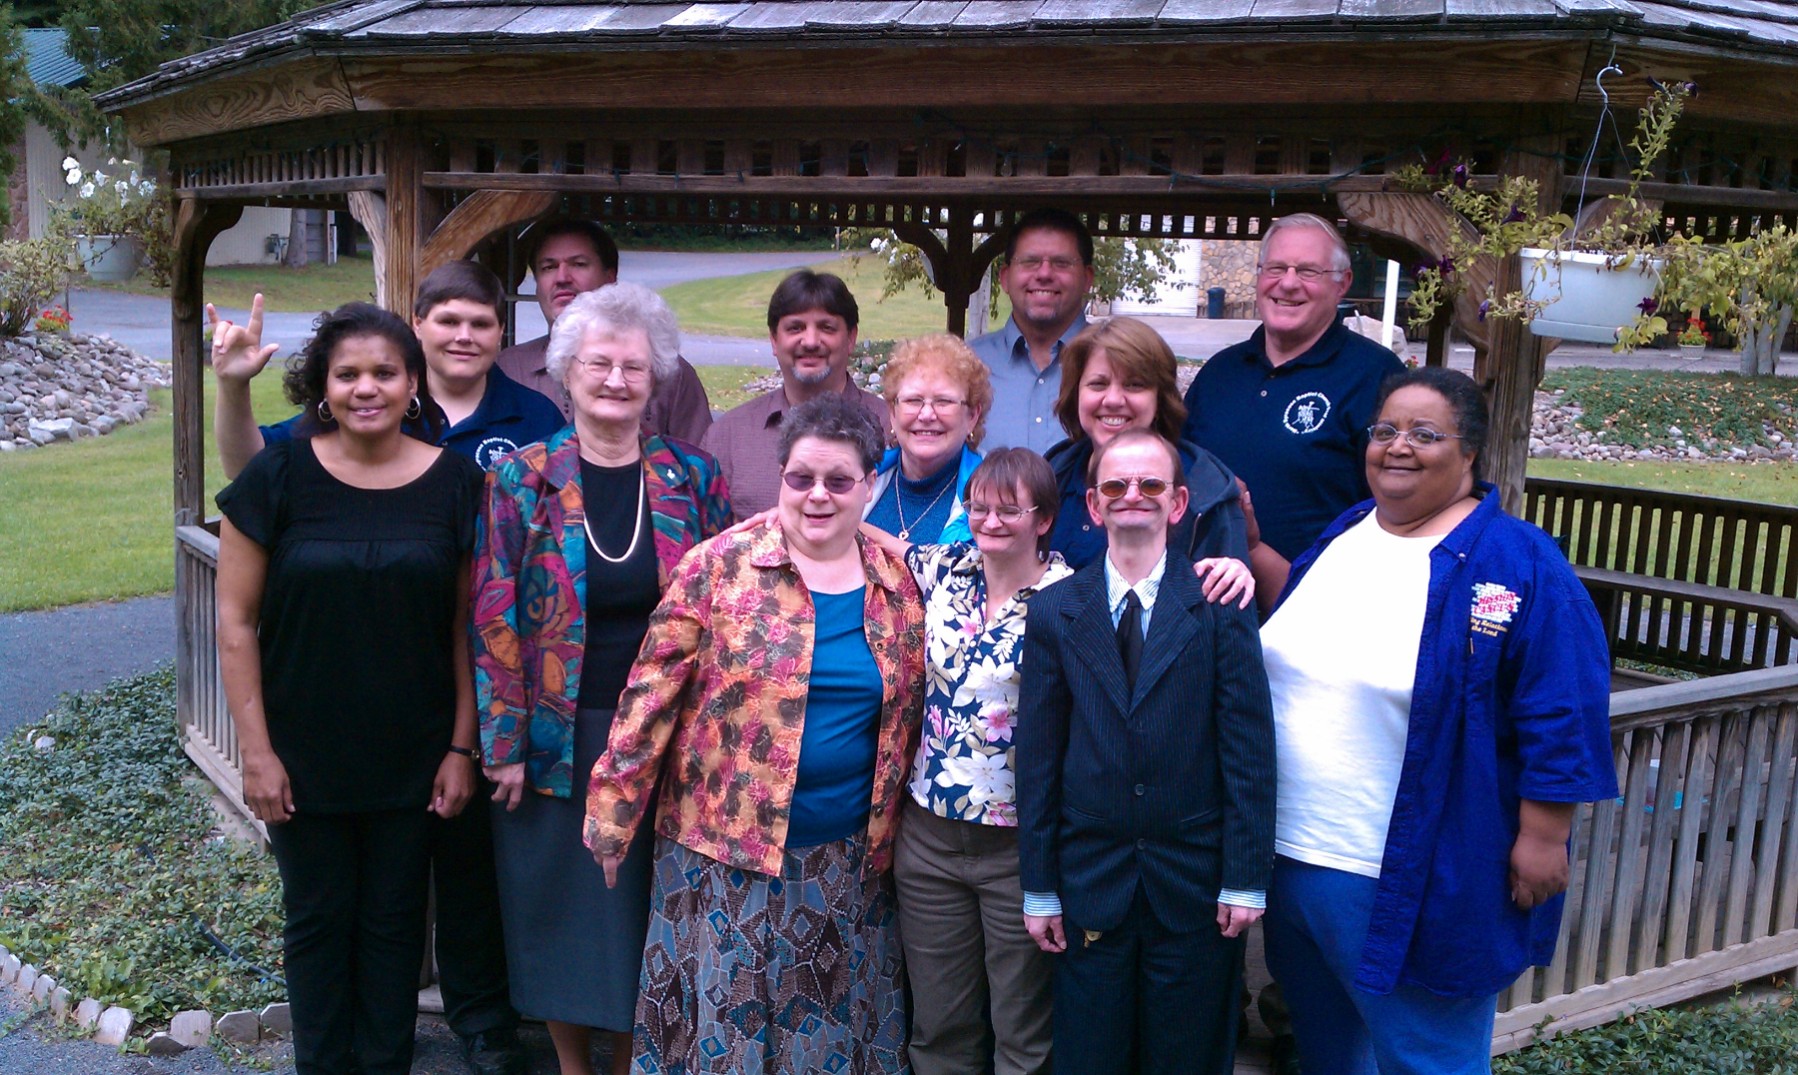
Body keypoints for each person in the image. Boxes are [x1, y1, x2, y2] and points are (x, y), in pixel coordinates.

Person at [210, 260, 558, 1075]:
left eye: (385, 372)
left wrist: (460, 748)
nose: (368, 387)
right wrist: (256, 753)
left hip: (416, 752)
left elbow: (467, 627)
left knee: (396, 925)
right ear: (323, 388)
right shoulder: (279, 474)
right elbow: (233, 622)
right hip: (303, 752)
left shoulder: (455, 482)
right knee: (318, 921)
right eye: (349, 373)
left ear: (413, 384)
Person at [1253, 367, 1617, 1075]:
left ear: (1470, 451)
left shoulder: (1515, 563)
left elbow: (1562, 703)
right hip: (1292, 856)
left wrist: (1545, 833)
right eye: (1385, 430)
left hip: (1409, 873)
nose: (1398, 447)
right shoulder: (1347, 531)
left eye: (1425, 433)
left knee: (1428, 1057)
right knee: (1331, 1052)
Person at [587, 394, 923, 1074]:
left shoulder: (897, 579)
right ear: (780, 478)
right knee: (725, 1036)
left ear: (871, 483)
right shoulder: (718, 566)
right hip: (722, 856)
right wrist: (612, 810)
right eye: (801, 478)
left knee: (827, 1033)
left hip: (844, 862)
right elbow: (650, 691)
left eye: (839, 480)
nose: (818, 495)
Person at [472, 282, 731, 1075]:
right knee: (557, 905)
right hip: (556, 732)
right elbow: (493, 614)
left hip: (665, 732)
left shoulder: (694, 476)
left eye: (633, 366)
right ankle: (573, 1067)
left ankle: (634, 1061)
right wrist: (503, 741)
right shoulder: (522, 477)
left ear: (657, 378)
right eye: (598, 364)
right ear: (566, 372)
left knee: (645, 905)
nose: (616, 379)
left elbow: (728, 609)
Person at [1016, 428, 1276, 1075]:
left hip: (1192, 884)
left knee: (1186, 1055)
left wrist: (1245, 874)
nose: (1134, 494)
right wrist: (1040, 886)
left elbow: (1249, 750)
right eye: (1116, 485)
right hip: (1091, 881)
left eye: (1151, 484)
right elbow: (1040, 758)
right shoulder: (1055, 611)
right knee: (1091, 1054)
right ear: (1094, 506)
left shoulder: (1220, 605)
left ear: (1179, 502)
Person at [875, 448, 1073, 1075]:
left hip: (1018, 845)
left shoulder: (1070, 599)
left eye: (1009, 509)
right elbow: (874, 534)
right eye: (978, 506)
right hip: (928, 836)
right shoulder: (947, 571)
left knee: (1021, 1025)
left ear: (1043, 519)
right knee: (940, 1024)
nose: (989, 520)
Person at [1181, 212, 1405, 593]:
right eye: (1276, 268)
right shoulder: (1219, 373)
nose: (1287, 283)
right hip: (1206, 612)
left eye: (1308, 272)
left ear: (1342, 284)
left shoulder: (1378, 377)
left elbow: (1402, 511)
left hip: (1324, 615)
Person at [211, 260, 566, 476]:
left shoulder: (537, 418)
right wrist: (232, 386)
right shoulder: (374, 405)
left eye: (481, 324)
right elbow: (245, 464)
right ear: (418, 324)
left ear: (501, 332)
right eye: (449, 321)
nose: (464, 336)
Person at [1043, 317, 1252, 604]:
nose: (1113, 399)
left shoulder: (1208, 493)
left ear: (1160, 398)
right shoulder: (1051, 476)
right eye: (1098, 384)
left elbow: (1226, 626)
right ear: (1076, 393)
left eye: (1134, 384)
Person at [495, 216, 713, 442]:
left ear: (610, 278)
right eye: (548, 267)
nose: (561, 277)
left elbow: (698, 462)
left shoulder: (668, 372)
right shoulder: (508, 368)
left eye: (579, 264)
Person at [702, 269, 889, 518]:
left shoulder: (891, 428)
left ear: (851, 338)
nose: (810, 341)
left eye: (826, 327)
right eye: (795, 328)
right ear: (773, 340)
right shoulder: (726, 438)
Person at [968, 207, 1094, 453]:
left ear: (1087, 277)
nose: (1044, 274)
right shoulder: (966, 365)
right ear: (1005, 278)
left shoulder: (1120, 366)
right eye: (1030, 262)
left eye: (1061, 263)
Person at [864, 333, 993, 544]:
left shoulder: (996, 495)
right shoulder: (858, 478)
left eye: (943, 401)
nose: (926, 415)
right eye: (913, 400)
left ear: (972, 415)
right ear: (893, 413)